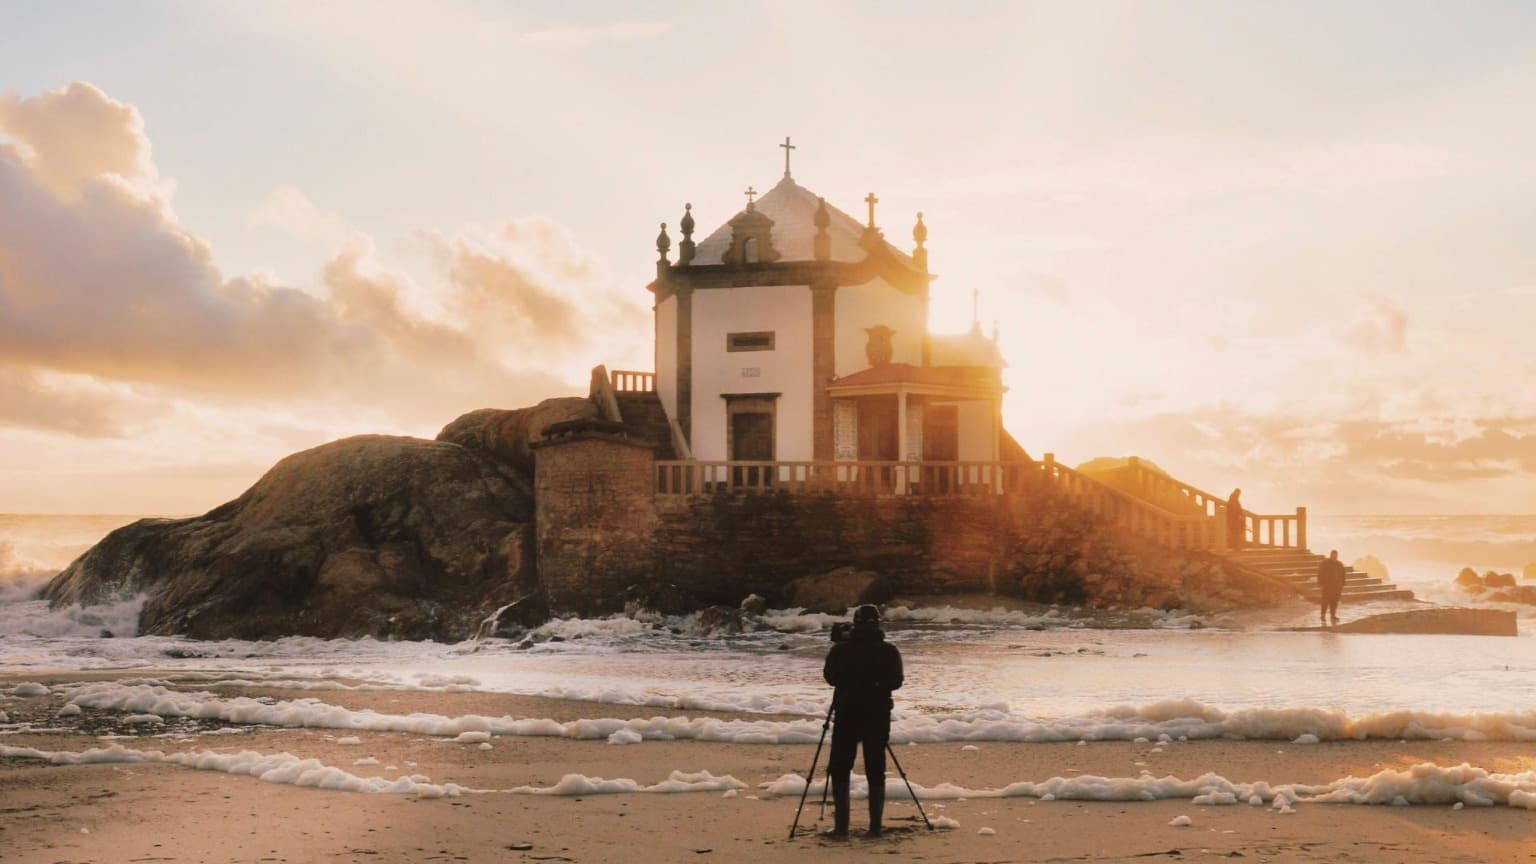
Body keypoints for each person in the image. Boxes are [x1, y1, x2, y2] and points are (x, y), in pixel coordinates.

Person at [823, 604, 904, 837]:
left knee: (840, 766)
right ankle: (875, 827)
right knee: (875, 767)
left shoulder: (841, 650)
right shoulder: (889, 651)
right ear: (878, 623)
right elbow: (896, 681)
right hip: (877, 713)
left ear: (855, 623)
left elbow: (830, 677)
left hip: (847, 712)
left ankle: (841, 828)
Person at [1316, 549, 1347, 626]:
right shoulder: (1325, 563)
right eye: (1333, 555)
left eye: (1336, 555)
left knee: (1334, 601)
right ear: (1331, 555)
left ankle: (1333, 615)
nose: (1335, 556)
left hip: (1336, 587)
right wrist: (1320, 583)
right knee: (1325, 601)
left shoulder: (1339, 564)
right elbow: (1320, 573)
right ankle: (1323, 615)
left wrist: (1342, 584)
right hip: (1327, 586)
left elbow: (1343, 574)